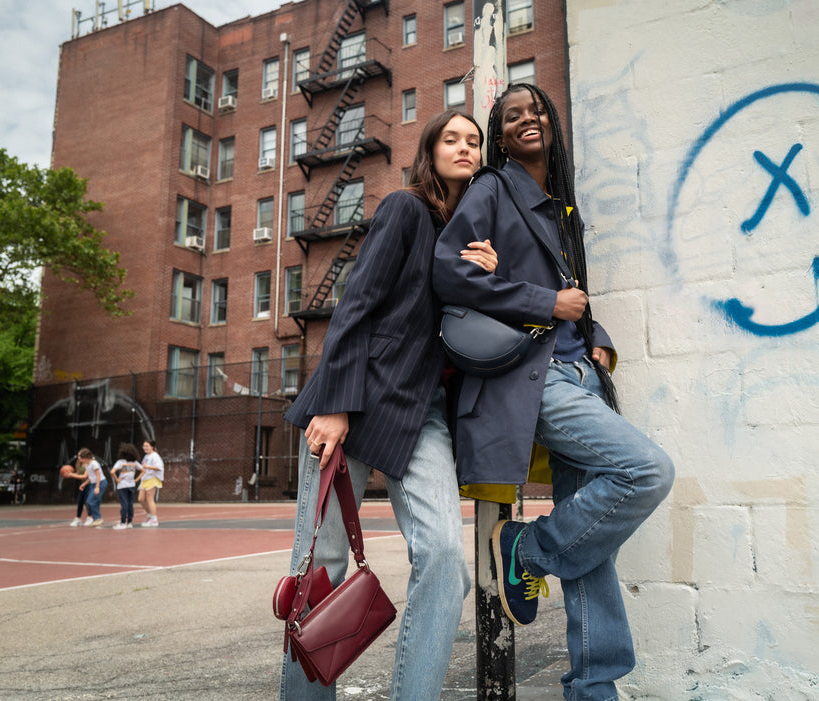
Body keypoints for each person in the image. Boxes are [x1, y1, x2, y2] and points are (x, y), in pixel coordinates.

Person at [432, 84, 675, 701]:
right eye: (511, 116)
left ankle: (595, 689)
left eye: (535, 110)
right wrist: (548, 304)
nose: (526, 120)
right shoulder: (491, 189)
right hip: (535, 380)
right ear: (501, 133)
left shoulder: (559, 205)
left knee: (592, 550)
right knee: (646, 471)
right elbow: (448, 271)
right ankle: (528, 548)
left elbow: (571, 289)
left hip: (580, 372)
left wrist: (595, 335)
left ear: (551, 122)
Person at [279, 109, 496, 701]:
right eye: (451, 138)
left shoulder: (473, 238)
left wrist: (486, 281)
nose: (465, 147)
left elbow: (469, 337)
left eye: (474, 141)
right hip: (355, 395)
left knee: (447, 557)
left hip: (420, 411)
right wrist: (337, 403)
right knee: (322, 570)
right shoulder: (405, 209)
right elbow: (356, 305)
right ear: (430, 151)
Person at [110, 443, 141, 529]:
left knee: (124, 504)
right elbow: (143, 470)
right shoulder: (135, 463)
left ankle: (123, 523)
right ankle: (130, 522)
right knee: (130, 504)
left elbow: (112, 472)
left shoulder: (120, 462)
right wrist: (137, 479)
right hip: (131, 484)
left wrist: (117, 480)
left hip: (122, 485)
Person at [77, 448, 107, 527]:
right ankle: (96, 519)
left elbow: (98, 475)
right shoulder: (87, 465)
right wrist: (84, 484)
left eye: (81, 458)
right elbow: (90, 476)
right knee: (93, 501)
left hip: (100, 483)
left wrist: (97, 487)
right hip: (93, 483)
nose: (79, 459)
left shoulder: (94, 463)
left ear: (85, 457)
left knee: (90, 501)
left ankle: (98, 518)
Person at [137, 440, 163, 527]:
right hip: (144, 479)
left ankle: (154, 519)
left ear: (152, 447)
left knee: (149, 499)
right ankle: (149, 516)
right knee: (140, 499)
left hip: (152, 479)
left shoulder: (155, 456)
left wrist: (147, 467)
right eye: (144, 446)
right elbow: (143, 467)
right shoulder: (146, 456)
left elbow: (159, 467)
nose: (145, 448)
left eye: (147, 446)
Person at [64, 458, 91, 527]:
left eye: (80, 456)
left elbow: (87, 476)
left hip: (90, 484)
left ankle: (90, 517)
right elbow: (78, 474)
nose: (79, 457)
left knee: (87, 501)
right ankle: (78, 518)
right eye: (78, 456)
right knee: (80, 501)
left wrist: (72, 475)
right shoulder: (79, 464)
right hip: (83, 485)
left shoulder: (90, 464)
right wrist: (70, 474)